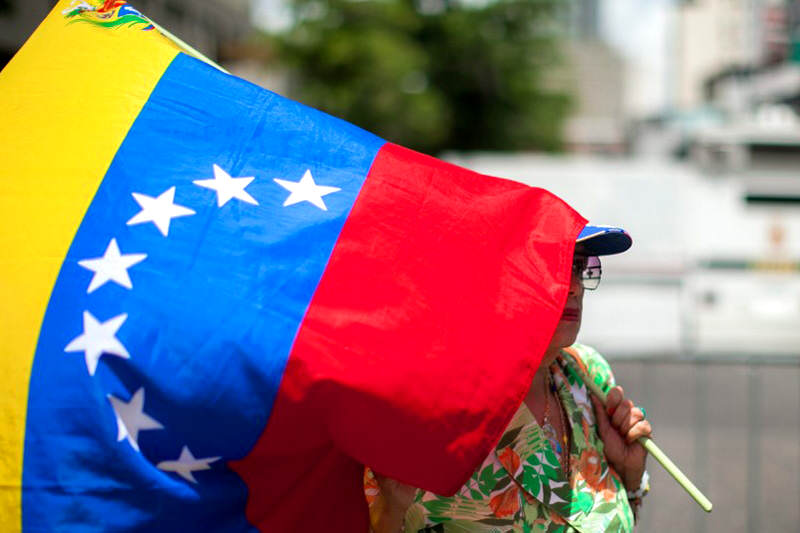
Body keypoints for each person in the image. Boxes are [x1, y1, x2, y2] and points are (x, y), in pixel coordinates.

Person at [365, 225, 653, 533]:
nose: (575, 288)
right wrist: (391, 511)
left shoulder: (588, 372)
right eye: (555, 266)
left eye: (580, 269)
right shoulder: (433, 394)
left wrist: (629, 477)